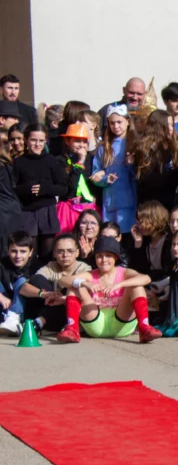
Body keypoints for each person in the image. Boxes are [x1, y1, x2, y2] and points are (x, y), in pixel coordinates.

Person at [55, 235, 161, 344]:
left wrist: (119, 285)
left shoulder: (123, 272)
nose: (103, 260)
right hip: (95, 324)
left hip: (122, 324)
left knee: (136, 286)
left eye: (108, 255)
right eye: (99, 256)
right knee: (74, 286)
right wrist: (84, 283)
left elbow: (146, 278)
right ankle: (72, 329)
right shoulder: (90, 275)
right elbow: (62, 280)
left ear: (115, 257)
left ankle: (144, 328)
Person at [13, 123, 67, 260]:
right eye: (33, 140)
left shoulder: (51, 161)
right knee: (29, 252)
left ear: (45, 141)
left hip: (47, 210)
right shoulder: (18, 162)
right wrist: (27, 189)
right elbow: (13, 188)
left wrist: (46, 189)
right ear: (25, 140)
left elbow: (62, 187)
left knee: (48, 253)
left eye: (41, 141)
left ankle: (46, 280)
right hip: (27, 211)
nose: (37, 144)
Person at [19, 232, 91, 333]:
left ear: (77, 253)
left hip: (70, 314)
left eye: (70, 251)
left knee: (72, 287)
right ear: (54, 253)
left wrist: (63, 299)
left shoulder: (84, 268)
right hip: (51, 310)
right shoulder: (51, 266)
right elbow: (23, 288)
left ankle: (38, 322)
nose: (65, 255)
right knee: (36, 279)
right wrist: (45, 294)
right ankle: (37, 323)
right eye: (60, 251)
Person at [91, 105, 137, 231]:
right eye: (112, 123)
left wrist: (132, 164)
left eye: (119, 122)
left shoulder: (135, 144)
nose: (116, 126)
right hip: (111, 203)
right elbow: (96, 173)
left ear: (128, 121)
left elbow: (141, 176)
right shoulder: (103, 148)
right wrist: (105, 179)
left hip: (131, 202)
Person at [134, 109, 178, 210]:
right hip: (152, 202)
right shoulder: (144, 148)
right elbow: (146, 178)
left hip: (174, 199)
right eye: (167, 126)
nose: (171, 129)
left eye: (172, 125)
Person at [0, 230, 35, 335]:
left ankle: (13, 318)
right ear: (8, 250)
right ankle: (9, 320)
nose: (18, 256)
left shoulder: (36, 267)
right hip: (5, 304)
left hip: (25, 309)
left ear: (31, 252)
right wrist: (1, 297)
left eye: (23, 251)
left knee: (22, 282)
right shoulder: (3, 263)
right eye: (14, 251)